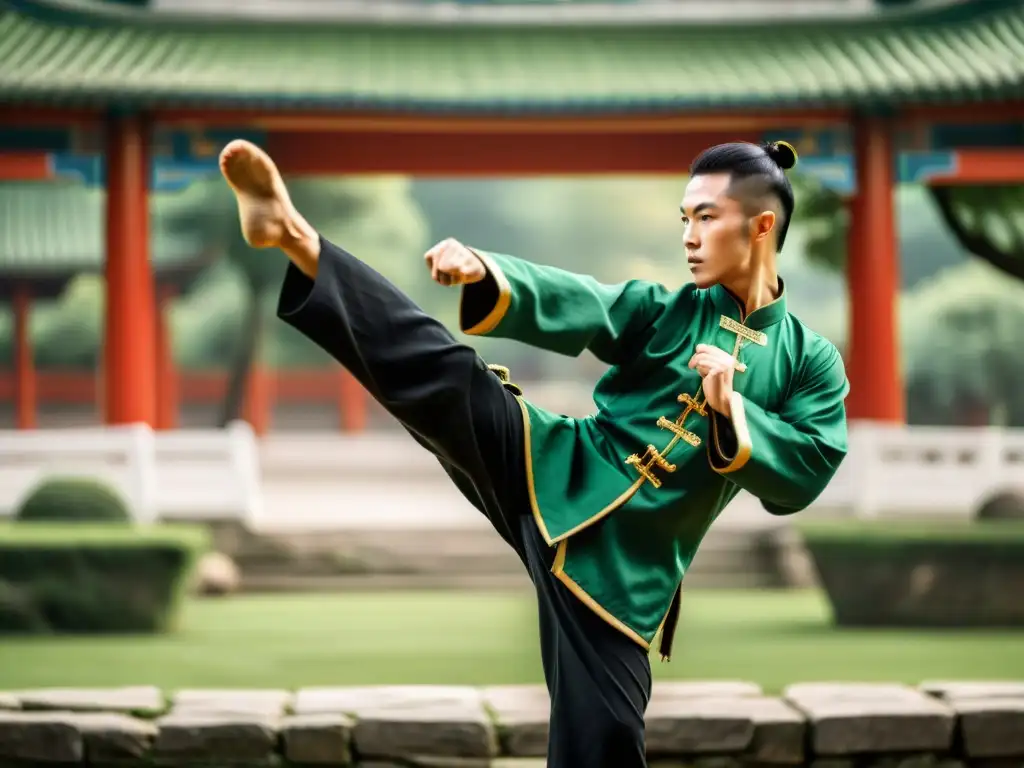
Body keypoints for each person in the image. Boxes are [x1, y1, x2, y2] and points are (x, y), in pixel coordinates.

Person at [218, 138, 849, 767]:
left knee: (603, 742)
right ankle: (296, 236)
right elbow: (586, 302)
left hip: (622, 575)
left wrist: (731, 407)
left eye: (706, 217)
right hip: (551, 467)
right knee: (447, 374)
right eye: (684, 218)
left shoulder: (809, 361)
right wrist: (488, 274)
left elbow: (806, 471)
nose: (689, 235)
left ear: (761, 225)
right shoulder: (665, 310)